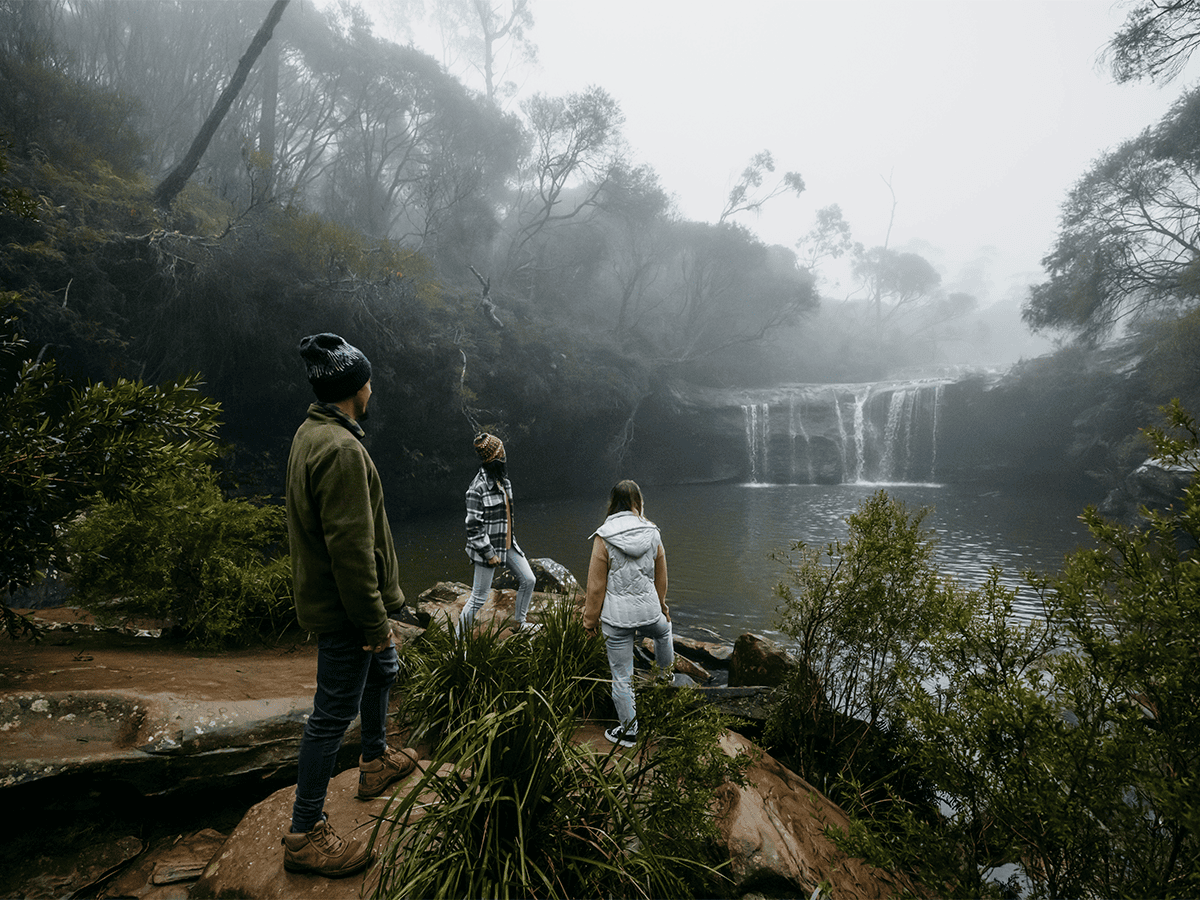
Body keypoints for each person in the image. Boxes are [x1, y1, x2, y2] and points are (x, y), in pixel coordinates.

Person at [282, 333, 418, 878]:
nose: (372, 387)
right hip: (346, 611)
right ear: (355, 387)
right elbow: (351, 550)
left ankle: (374, 758)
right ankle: (304, 833)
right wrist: (374, 622)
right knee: (330, 715)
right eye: (368, 379)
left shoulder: (313, 432)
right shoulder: (339, 450)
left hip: (344, 605)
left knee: (384, 671)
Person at [582, 479, 673, 747]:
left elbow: (595, 586)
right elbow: (661, 577)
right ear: (638, 502)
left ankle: (629, 731)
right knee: (664, 631)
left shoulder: (604, 536)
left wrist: (590, 622)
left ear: (613, 503)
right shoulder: (652, 532)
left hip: (617, 620)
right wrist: (662, 606)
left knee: (622, 674)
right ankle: (665, 683)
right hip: (649, 612)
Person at [460, 432, 539, 635]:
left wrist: (510, 544)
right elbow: (473, 527)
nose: (505, 456)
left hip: (508, 545)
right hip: (487, 550)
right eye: (502, 452)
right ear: (495, 457)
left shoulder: (505, 483)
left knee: (529, 580)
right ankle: (458, 643)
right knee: (478, 598)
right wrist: (489, 553)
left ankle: (520, 624)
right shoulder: (476, 489)